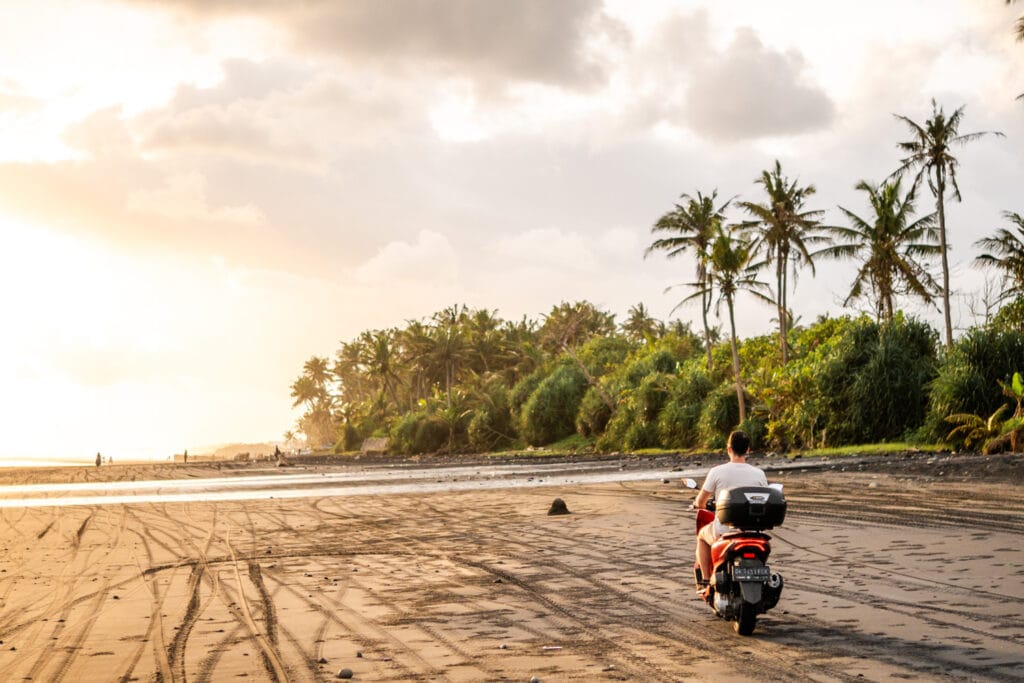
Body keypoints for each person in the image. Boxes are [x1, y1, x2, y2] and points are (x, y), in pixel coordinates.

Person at [692, 430, 767, 595]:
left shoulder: (717, 471)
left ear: (729, 449)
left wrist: (698, 504)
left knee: (702, 536)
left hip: (724, 531)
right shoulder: (759, 474)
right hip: (752, 531)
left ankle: (706, 581)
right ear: (748, 450)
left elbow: (701, 501)